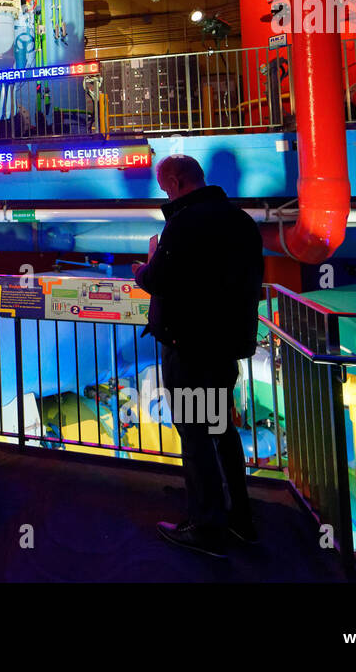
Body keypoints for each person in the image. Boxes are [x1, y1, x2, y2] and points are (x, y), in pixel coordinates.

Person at [132, 154, 264, 558]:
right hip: (224, 348)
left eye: (163, 183)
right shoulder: (241, 222)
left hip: (190, 349)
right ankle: (240, 517)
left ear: (175, 180)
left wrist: (143, 267)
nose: (162, 191)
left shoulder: (183, 224)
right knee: (221, 431)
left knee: (195, 436)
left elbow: (159, 281)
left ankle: (207, 526)